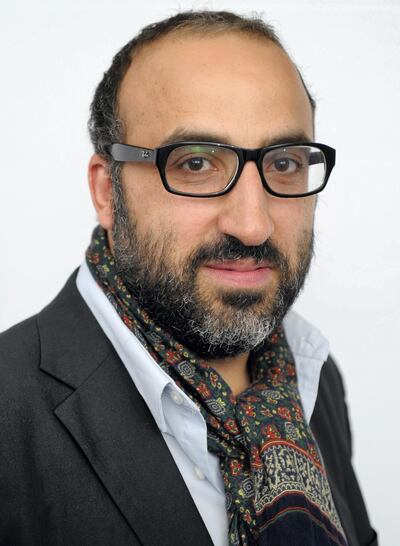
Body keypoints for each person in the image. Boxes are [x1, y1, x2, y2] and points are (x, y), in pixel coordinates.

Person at [0, 10, 378, 546]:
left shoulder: (316, 379)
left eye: (285, 162)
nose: (252, 224)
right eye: (196, 163)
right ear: (108, 191)